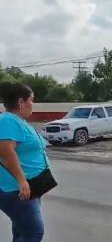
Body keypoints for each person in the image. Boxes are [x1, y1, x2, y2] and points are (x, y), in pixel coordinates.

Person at [0, 82, 51, 242]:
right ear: (21, 102)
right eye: (32, 100)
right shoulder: (9, 121)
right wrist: (22, 181)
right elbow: (6, 151)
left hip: (29, 186)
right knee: (34, 233)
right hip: (18, 189)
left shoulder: (17, 120)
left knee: (22, 229)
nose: (33, 104)